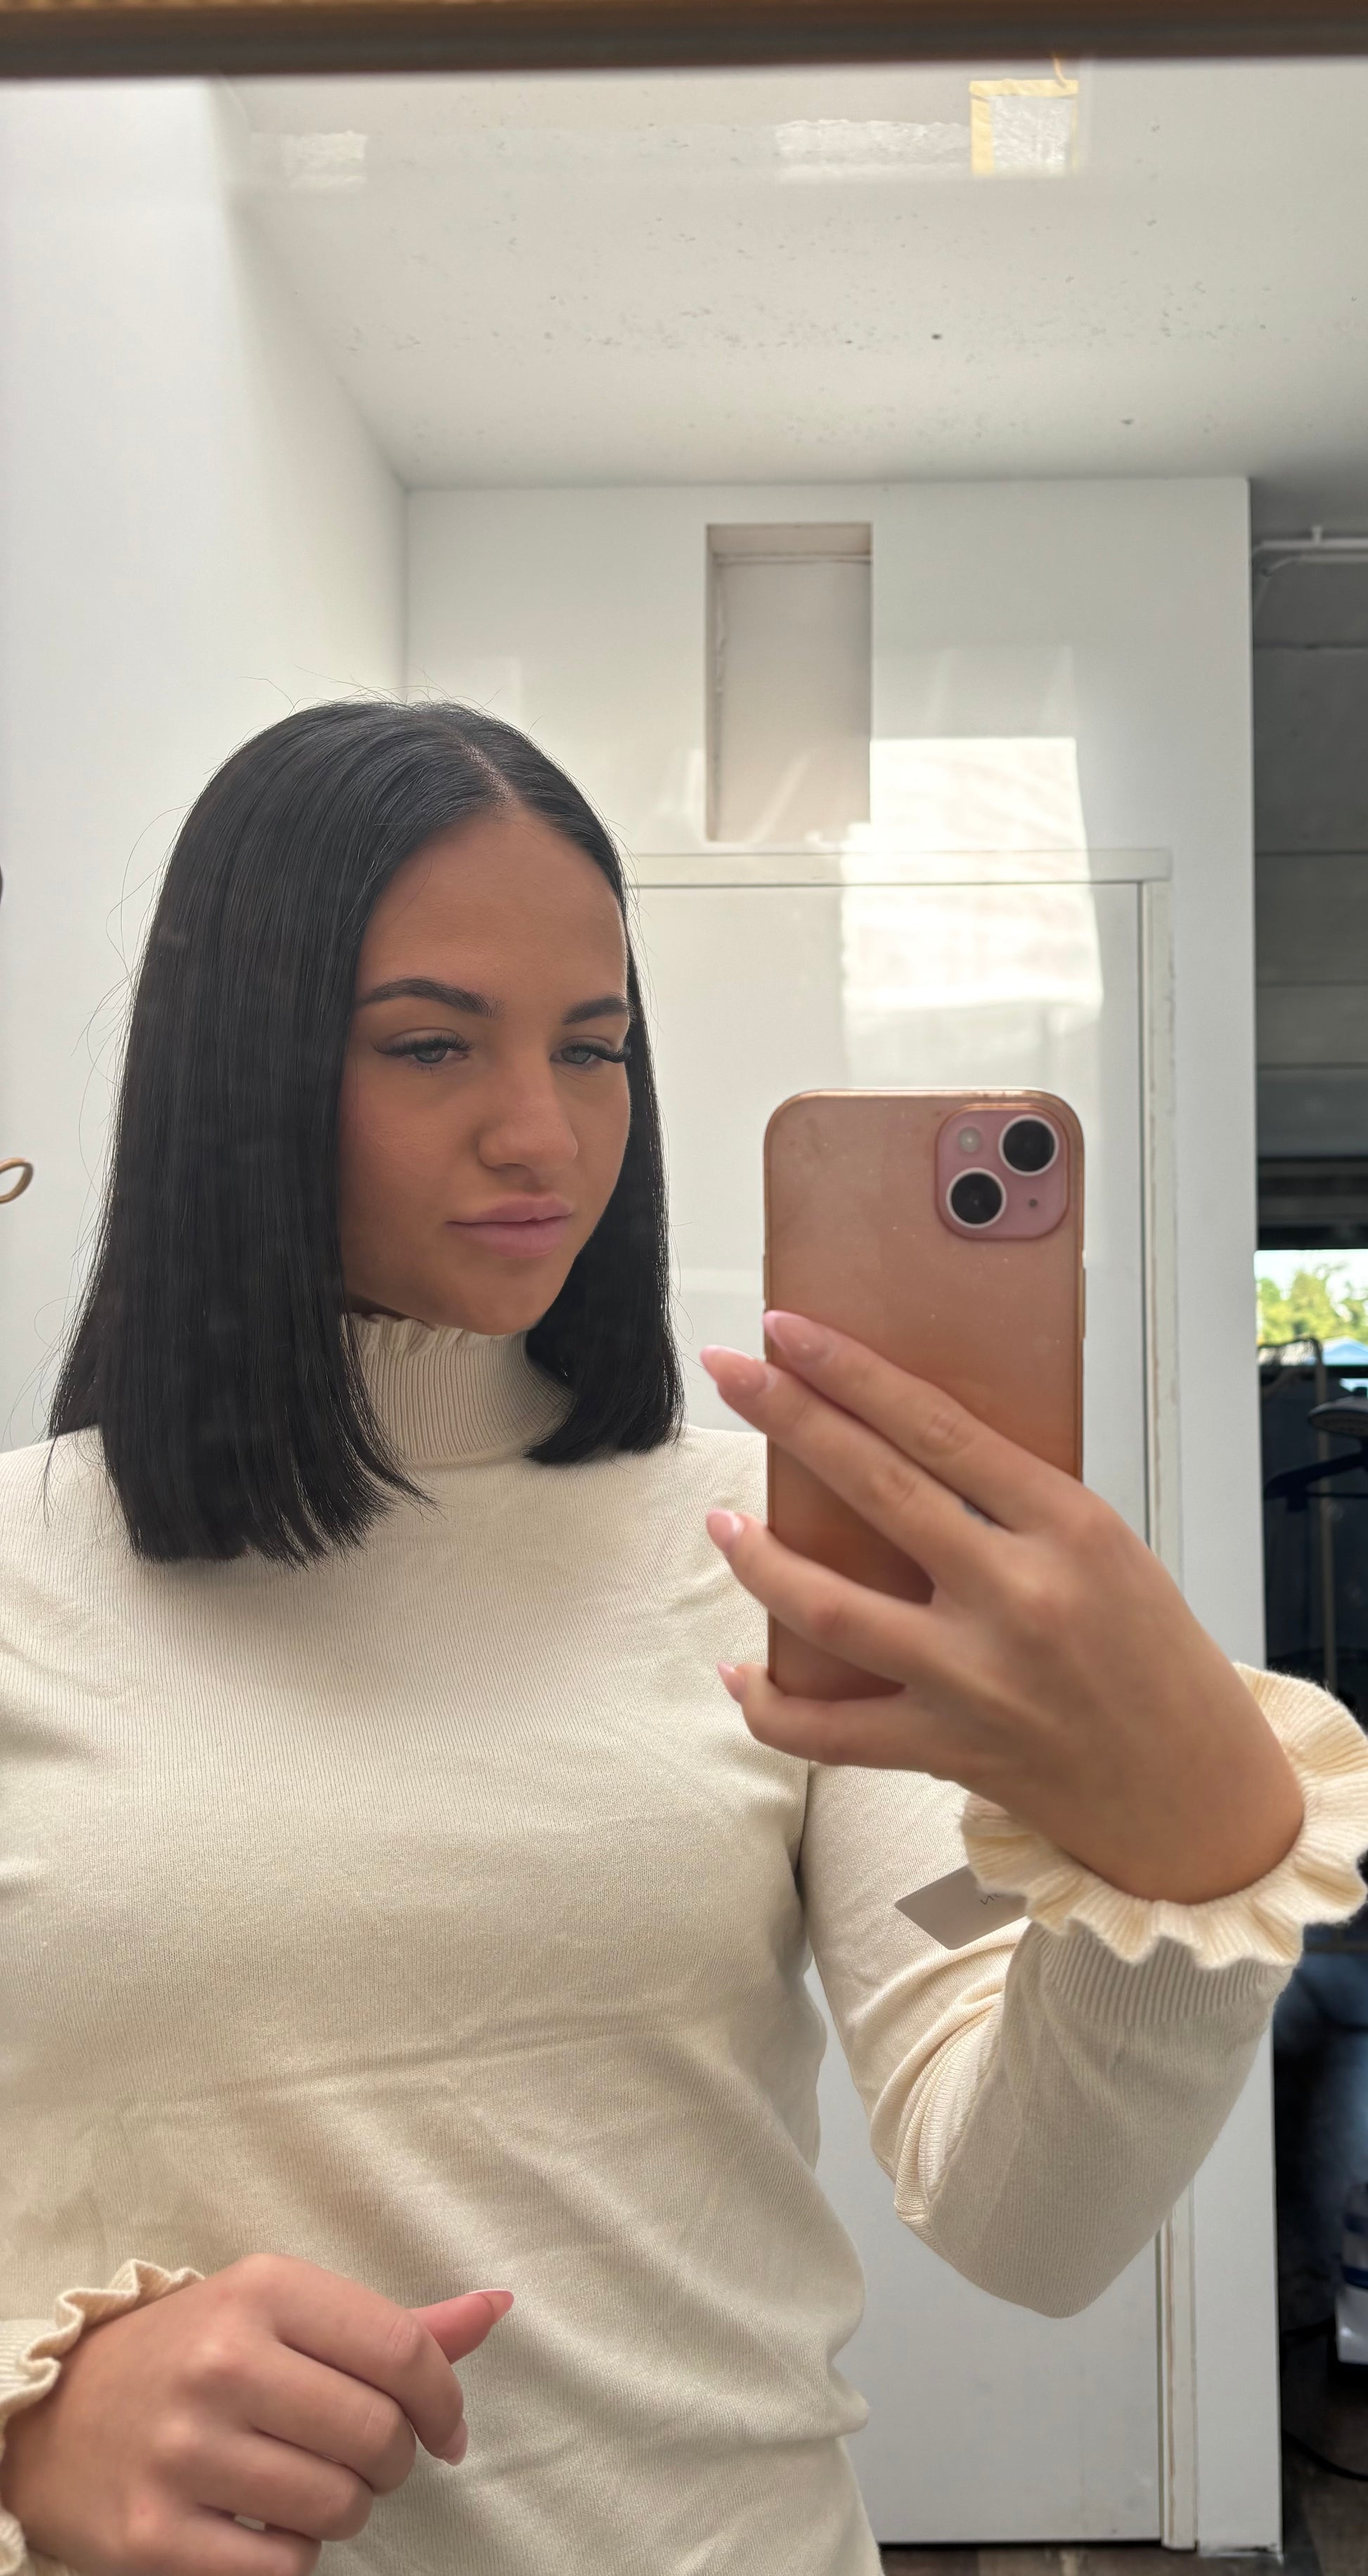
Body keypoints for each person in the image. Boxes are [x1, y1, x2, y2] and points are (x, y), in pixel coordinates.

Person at [1, 699, 1367, 2576]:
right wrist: (27, 2431)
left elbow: (1028, 2226)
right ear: (233, 1065)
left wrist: (1189, 1854)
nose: (542, 1133)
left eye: (594, 1046)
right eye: (429, 1043)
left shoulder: (772, 1551)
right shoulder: (19, 1576)